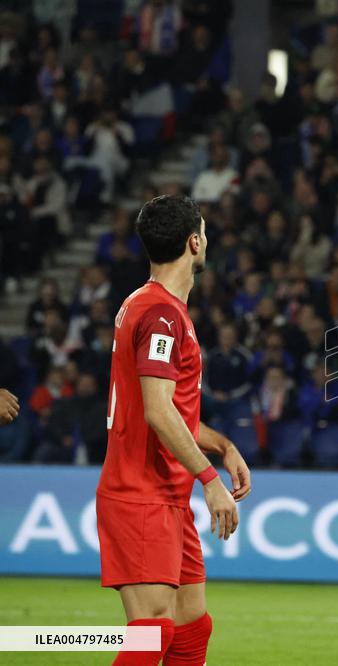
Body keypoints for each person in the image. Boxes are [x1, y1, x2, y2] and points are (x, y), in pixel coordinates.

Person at [96, 195, 252, 666]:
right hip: (140, 492)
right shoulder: (162, 314)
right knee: (150, 635)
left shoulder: (150, 306)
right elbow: (157, 412)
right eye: (204, 232)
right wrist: (210, 481)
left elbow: (174, 411)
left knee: (191, 627)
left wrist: (223, 446)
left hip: (165, 493)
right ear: (194, 241)